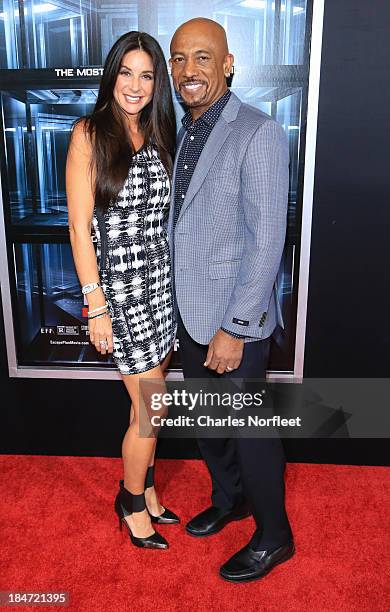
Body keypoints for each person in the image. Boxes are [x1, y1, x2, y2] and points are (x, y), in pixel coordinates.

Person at [168, 18, 294, 581]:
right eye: (178, 59)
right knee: (208, 423)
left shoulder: (257, 131)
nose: (187, 71)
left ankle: (274, 535)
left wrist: (236, 327)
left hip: (233, 319)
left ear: (228, 64)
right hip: (190, 312)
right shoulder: (183, 130)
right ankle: (230, 499)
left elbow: (268, 241)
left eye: (201, 58)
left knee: (252, 429)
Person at [66, 30, 179, 551]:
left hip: (160, 287)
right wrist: (96, 307)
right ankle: (132, 504)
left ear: (157, 83)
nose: (135, 85)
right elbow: (78, 227)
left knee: (146, 411)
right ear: (112, 74)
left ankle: (147, 489)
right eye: (126, 72)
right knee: (151, 411)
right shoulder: (89, 133)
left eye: (147, 74)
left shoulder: (158, 131)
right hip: (120, 292)